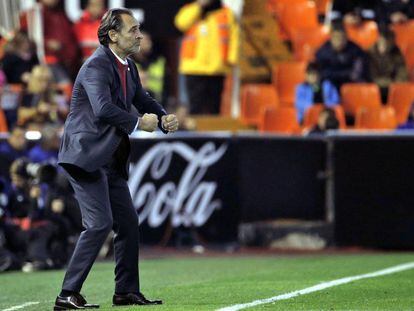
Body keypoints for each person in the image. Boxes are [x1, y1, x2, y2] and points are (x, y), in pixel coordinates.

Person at [53, 8, 179, 310]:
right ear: (113, 35)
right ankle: (67, 294)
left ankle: (126, 291)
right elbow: (103, 109)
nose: (139, 35)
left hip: (108, 157)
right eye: (133, 30)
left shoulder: (127, 66)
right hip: (85, 155)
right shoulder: (96, 65)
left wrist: (162, 117)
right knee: (99, 224)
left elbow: (143, 99)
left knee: (127, 223)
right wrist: (139, 123)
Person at [175, 0, 239, 114]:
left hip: (217, 69)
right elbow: (181, 23)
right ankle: (195, 131)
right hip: (194, 68)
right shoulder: (191, 9)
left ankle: (213, 130)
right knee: (195, 108)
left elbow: (234, 37)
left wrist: (232, 59)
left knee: (214, 107)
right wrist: (199, 5)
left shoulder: (226, 13)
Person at [315, 24, 370, 92]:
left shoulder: (355, 50)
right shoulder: (323, 52)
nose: (340, 41)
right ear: (331, 38)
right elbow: (322, 73)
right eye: (336, 37)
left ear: (346, 37)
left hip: (350, 83)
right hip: (331, 83)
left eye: (342, 37)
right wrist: (345, 74)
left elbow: (357, 72)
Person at [368, 30, 408, 103]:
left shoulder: (397, 54)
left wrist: (393, 84)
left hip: (392, 89)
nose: (386, 45)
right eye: (383, 43)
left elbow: (402, 74)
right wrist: (387, 82)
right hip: (373, 89)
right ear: (378, 41)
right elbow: (369, 76)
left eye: (389, 43)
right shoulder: (369, 53)